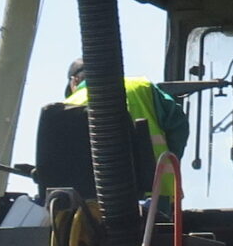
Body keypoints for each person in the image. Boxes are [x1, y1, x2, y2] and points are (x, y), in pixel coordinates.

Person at [62, 58, 187, 198]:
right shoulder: (142, 87)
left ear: (75, 81)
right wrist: (169, 159)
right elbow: (178, 124)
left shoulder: (67, 106)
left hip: (93, 205)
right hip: (158, 196)